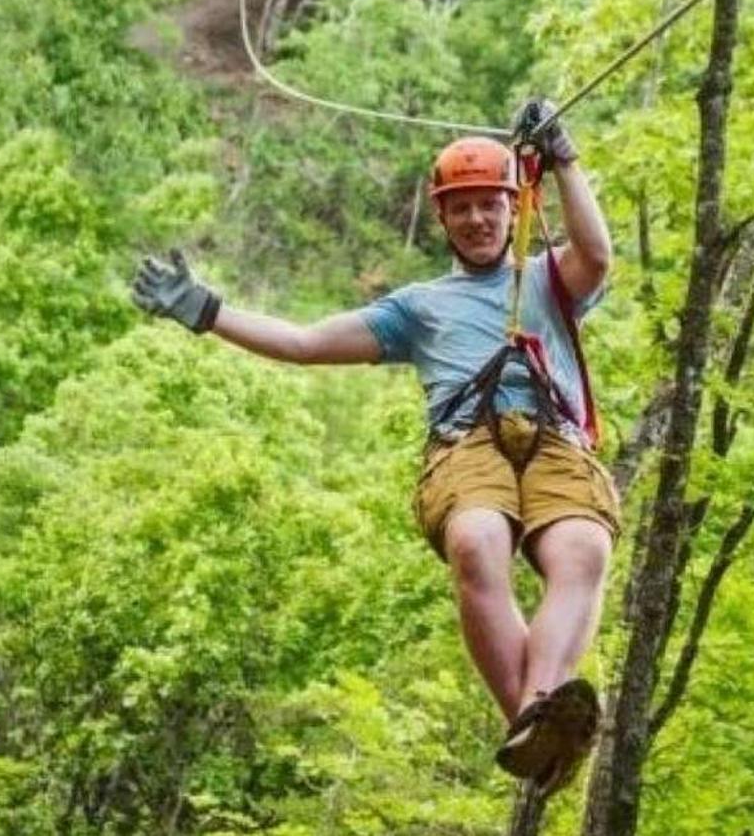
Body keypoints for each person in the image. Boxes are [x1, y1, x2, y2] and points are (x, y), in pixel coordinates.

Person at [130, 99, 616, 791]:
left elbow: (597, 253)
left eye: (490, 205)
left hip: (554, 440)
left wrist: (563, 158)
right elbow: (304, 343)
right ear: (442, 219)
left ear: (514, 209)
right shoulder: (417, 307)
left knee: (585, 547)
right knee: (476, 538)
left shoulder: (547, 279)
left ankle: (537, 720)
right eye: (463, 208)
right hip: (467, 443)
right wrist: (208, 311)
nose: (478, 219)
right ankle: (535, 720)